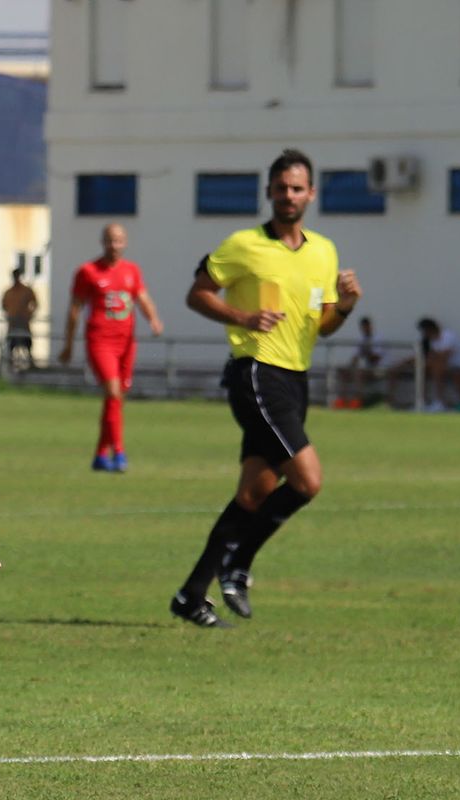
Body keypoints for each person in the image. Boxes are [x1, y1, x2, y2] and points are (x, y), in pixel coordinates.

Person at [170, 149, 362, 627]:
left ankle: (191, 595)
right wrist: (242, 316)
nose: (289, 196)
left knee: (254, 494)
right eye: (281, 188)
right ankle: (238, 563)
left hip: (296, 378)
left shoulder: (324, 251)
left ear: (311, 194)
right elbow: (197, 293)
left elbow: (324, 326)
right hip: (256, 371)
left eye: (297, 188)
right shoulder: (243, 245)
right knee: (307, 480)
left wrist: (348, 306)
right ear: (269, 193)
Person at [56, 223, 164, 472]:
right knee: (114, 393)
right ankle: (119, 453)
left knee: (116, 399)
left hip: (126, 342)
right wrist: (68, 345)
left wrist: (154, 320)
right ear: (102, 242)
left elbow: (143, 298)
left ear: (125, 242)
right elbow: (75, 310)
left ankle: (100, 454)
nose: (114, 245)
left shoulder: (131, 271)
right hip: (100, 341)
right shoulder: (87, 272)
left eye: (118, 240)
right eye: (110, 240)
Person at [331, 315, 381, 409]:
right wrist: (349, 367)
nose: (365, 329)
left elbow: (375, 359)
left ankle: (358, 401)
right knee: (343, 372)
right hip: (364, 370)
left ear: (370, 326)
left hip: (377, 369)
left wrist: (366, 351)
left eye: (366, 327)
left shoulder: (377, 339)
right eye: (363, 327)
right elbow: (355, 358)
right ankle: (342, 401)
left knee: (359, 374)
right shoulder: (363, 340)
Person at [415, 317, 460, 412]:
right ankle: (421, 401)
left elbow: (444, 357)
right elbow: (428, 358)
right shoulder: (429, 341)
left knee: (437, 368)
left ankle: (440, 401)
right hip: (441, 366)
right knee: (422, 369)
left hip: (458, 365)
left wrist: (432, 355)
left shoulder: (448, 336)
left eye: (425, 331)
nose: (424, 334)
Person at [1, 267, 39, 371]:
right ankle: (10, 362)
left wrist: (29, 314)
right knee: (11, 342)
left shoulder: (26, 291)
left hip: (23, 320)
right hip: (13, 321)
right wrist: (9, 313)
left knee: (27, 341)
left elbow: (35, 303)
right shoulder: (8, 292)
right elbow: (3, 305)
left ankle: (30, 361)